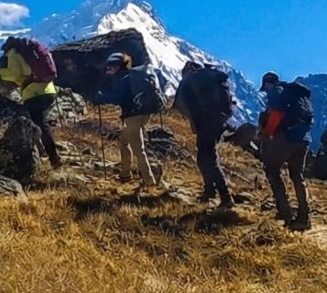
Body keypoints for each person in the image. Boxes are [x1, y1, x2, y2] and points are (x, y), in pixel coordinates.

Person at [89, 51, 164, 191]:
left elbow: (117, 98)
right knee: (124, 140)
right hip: (144, 115)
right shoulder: (133, 77)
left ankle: (149, 182)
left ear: (118, 66)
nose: (108, 69)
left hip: (132, 116)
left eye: (110, 66)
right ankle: (125, 174)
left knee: (138, 149)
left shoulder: (122, 79)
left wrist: (100, 97)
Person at [0, 34, 62, 168]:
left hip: (34, 93)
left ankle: (53, 157)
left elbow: (14, 74)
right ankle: (47, 154)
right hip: (48, 90)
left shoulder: (13, 54)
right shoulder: (28, 53)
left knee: (39, 124)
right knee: (39, 123)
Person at [174, 59, 236, 208]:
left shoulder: (190, 81)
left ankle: (225, 196)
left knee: (209, 159)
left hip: (205, 125)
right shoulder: (211, 80)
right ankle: (210, 191)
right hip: (218, 123)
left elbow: (180, 104)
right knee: (204, 158)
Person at [257, 71, 314, 230]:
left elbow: (276, 114)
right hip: (304, 139)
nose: (266, 91)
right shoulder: (298, 95)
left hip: (286, 139)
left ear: (268, 83)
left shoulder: (277, 93)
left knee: (272, 171)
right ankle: (304, 217)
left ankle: (285, 212)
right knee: (297, 176)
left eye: (265, 87)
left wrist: (267, 134)